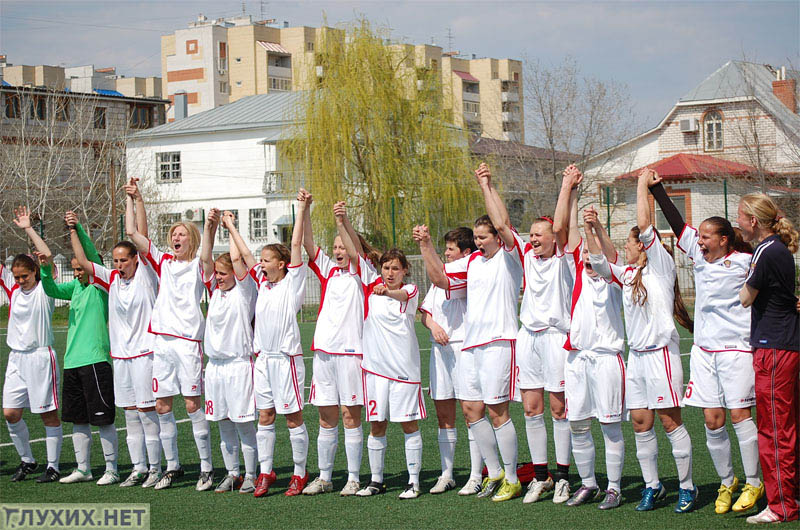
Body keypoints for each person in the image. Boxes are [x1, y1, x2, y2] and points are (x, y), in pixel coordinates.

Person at [648, 177, 762, 515]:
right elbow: (675, 222)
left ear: (724, 240)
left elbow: (773, 279)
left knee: (740, 416)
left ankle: (754, 482)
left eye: (706, 236)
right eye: (698, 237)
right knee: (712, 420)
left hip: (737, 351)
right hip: (704, 352)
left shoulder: (746, 261)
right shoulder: (698, 256)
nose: (699, 241)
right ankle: (728, 481)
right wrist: (657, 190)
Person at [588, 168, 697, 513]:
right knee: (640, 422)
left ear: (644, 245)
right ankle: (654, 486)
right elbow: (599, 263)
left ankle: (688, 487)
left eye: (630, 242)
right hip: (637, 359)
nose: (626, 247)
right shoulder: (629, 273)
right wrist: (591, 229)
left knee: (669, 421)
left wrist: (640, 186)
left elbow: (646, 223)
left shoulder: (660, 266)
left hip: (661, 355)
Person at [417, 163, 524, 502]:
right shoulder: (473, 262)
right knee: (471, 410)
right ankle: (493, 473)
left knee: (496, 410)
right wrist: (426, 246)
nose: (478, 243)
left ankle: (512, 476)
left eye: (483, 237)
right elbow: (441, 280)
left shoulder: (510, 257)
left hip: (499, 342)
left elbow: (504, 223)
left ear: (497, 238)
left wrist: (486, 185)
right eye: (475, 238)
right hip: (473, 346)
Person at [70, 181, 162, 488]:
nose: (120, 264)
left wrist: (135, 200)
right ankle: (137, 468)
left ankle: (156, 468)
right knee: (130, 415)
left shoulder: (147, 276)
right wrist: (74, 231)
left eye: (124, 259)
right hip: (121, 357)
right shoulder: (110, 279)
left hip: (145, 354)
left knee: (148, 413)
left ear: (136, 259)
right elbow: (83, 262)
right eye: (116, 260)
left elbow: (141, 236)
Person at [126, 194, 218, 491]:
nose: (176, 238)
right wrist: (134, 198)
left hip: (188, 343)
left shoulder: (199, 267)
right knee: (163, 406)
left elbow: (206, 257)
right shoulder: (163, 261)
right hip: (162, 343)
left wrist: (210, 228)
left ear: (191, 239)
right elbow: (133, 234)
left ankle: (206, 467)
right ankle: (173, 466)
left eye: (181, 234)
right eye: (173, 234)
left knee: (192, 404)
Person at [333, 204, 424, 499]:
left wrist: (389, 291)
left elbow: (400, 295)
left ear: (404, 270)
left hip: (403, 371)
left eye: (395, 268)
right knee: (377, 424)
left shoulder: (409, 292)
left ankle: (413, 481)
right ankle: (376, 480)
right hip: (374, 370)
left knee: (408, 424)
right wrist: (342, 221)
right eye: (386, 268)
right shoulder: (371, 283)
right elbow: (354, 251)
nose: (389, 272)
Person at [515, 165, 581, 505]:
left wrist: (566, 186)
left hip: (556, 337)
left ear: (554, 238)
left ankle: (564, 478)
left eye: (539, 234)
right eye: (531, 233)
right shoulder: (526, 256)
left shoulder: (562, 258)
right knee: (531, 408)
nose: (534, 238)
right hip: (528, 337)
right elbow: (500, 226)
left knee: (558, 409)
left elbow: (560, 225)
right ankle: (540, 477)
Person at [300, 189, 372, 497]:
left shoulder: (362, 272)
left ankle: (353, 478)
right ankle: (325, 476)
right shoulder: (329, 271)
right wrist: (304, 209)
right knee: (326, 416)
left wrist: (342, 221)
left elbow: (356, 252)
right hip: (324, 355)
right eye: (335, 247)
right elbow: (307, 245)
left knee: (349, 415)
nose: (339, 251)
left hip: (351, 354)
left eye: (343, 246)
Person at [38, 210, 117, 486]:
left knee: (103, 419)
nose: (80, 271)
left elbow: (90, 254)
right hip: (72, 362)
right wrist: (46, 269)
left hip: (96, 360)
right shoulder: (74, 288)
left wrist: (75, 229)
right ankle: (83, 468)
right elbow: (50, 289)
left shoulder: (99, 286)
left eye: (82, 268)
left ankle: (112, 468)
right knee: (78, 420)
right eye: (77, 268)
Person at [559, 199, 626, 510]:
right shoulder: (578, 275)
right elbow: (570, 234)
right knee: (578, 424)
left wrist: (595, 228)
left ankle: (614, 487)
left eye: (591, 252)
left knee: (609, 425)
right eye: (584, 253)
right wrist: (571, 191)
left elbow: (609, 257)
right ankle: (588, 484)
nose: (586, 257)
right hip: (577, 359)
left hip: (607, 359)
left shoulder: (614, 279)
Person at [737, 193, 800, 524]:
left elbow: (745, 297)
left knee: (774, 430)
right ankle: (791, 495)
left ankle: (781, 505)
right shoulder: (774, 249)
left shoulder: (766, 251)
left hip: (774, 348)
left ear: (752, 221)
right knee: (785, 426)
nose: (736, 223)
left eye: (739, 217)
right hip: (782, 344)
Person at [244, 192, 309, 498]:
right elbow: (241, 258)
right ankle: (266, 471)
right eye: (262, 259)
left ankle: (299, 472)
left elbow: (296, 245)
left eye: (267, 259)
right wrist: (231, 228)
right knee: (265, 416)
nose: (261, 263)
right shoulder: (262, 284)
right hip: (263, 361)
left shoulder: (292, 284)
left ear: (282, 264)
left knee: (293, 416)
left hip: (286, 359)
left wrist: (301, 208)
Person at [416, 226, 484, 495]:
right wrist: (433, 327)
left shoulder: (469, 274)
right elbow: (425, 313)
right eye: (444, 249)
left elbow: (446, 282)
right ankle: (447, 474)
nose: (446, 254)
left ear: (466, 253)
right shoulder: (438, 279)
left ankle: (477, 474)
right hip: (439, 352)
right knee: (444, 415)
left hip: (464, 349)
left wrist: (425, 244)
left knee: (471, 413)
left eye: (451, 249)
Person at [3, 206, 63, 483]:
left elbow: (48, 257)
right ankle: (27, 460)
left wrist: (28, 228)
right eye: (16, 277)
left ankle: (53, 466)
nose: (19, 281)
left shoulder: (44, 290)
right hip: (17, 358)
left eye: (24, 276)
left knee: (48, 414)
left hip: (40, 356)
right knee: (11, 413)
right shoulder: (13, 289)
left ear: (34, 273)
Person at [202, 211, 259, 494]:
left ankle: (250, 474)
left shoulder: (245, 291)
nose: (220, 278)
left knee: (243, 423)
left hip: (238, 365)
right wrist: (209, 228)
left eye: (224, 274)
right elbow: (204, 259)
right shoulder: (215, 291)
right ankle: (232, 473)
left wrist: (230, 227)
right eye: (218, 274)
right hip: (214, 367)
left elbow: (237, 260)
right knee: (222, 422)